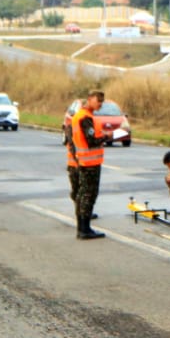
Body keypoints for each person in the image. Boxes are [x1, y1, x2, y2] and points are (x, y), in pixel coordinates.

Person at [67, 90, 111, 240]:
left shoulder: (80, 116)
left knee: (82, 195)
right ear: (90, 99)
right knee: (88, 195)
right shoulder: (85, 117)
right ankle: (84, 229)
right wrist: (106, 137)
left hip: (84, 161)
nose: (100, 104)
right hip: (89, 163)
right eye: (98, 101)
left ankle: (83, 227)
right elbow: (91, 140)